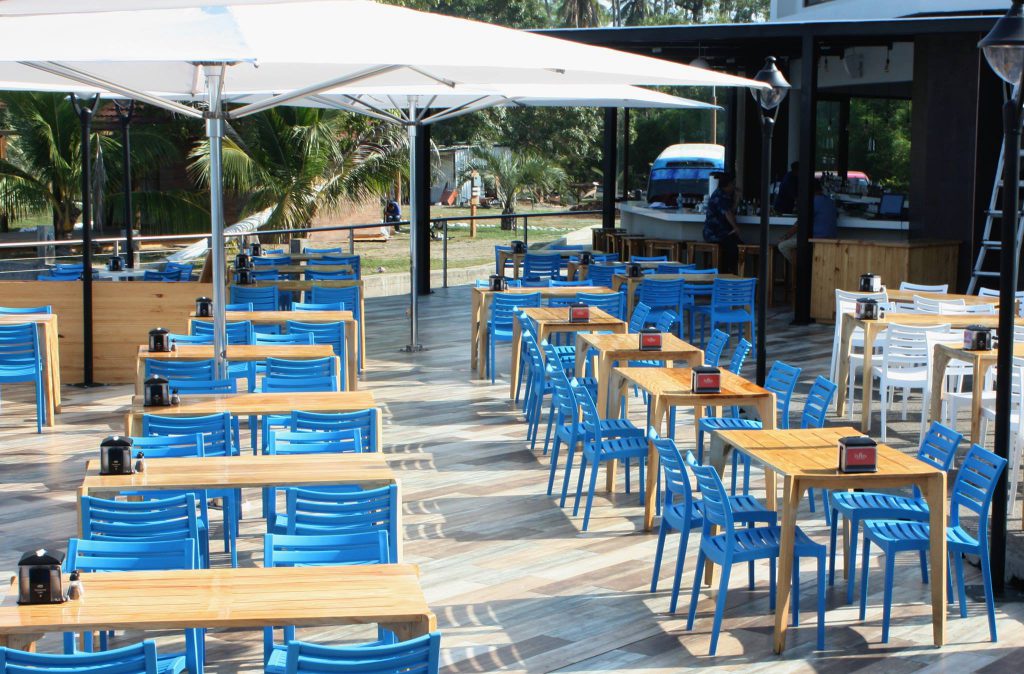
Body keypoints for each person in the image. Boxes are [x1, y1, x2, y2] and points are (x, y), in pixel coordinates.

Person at [778, 179, 838, 267]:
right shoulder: (830, 201)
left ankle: (801, 268)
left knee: (783, 246)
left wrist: (785, 237)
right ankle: (806, 266)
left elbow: (800, 223)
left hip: (816, 239)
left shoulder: (812, 202)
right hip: (831, 239)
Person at [703, 171, 742, 274]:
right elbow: (727, 213)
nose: (734, 186)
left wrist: (736, 200)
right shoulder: (719, 195)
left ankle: (728, 271)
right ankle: (726, 272)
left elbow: (730, 212)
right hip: (714, 233)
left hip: (723, 232)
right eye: (733, 184)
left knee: (739, 246)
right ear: (728, 184)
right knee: (733, 247)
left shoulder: (726, 195)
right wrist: (736, 227)